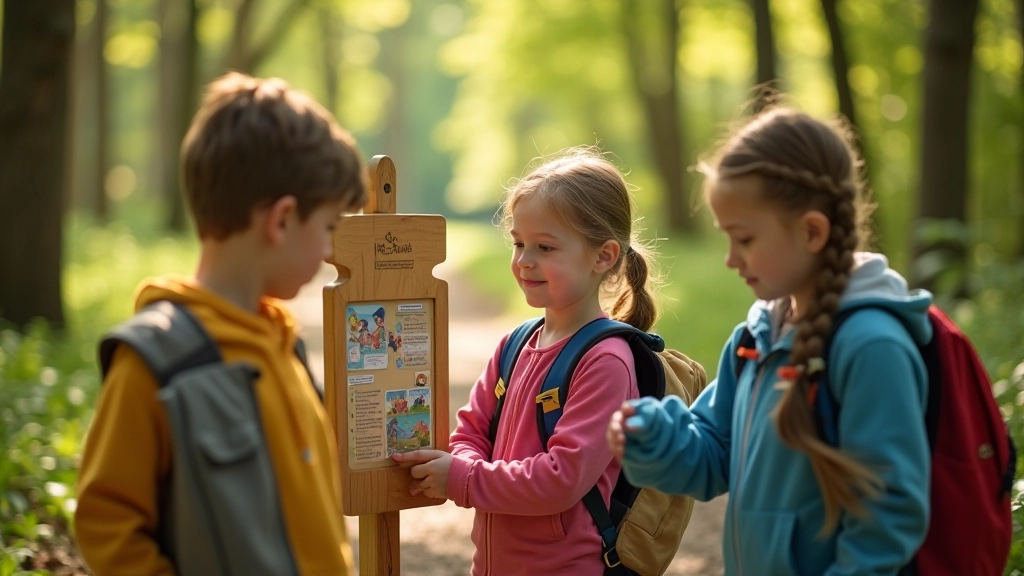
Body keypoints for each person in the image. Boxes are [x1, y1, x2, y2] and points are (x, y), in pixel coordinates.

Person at [608, 107, 932, 575]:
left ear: (812, 231)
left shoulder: (871, 346)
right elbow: (714, 454)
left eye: (744, 239)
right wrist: (654, 438)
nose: (730, 259)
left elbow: (890, 517)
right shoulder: (757, 338)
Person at [74, 72, 367, 575]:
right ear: (281, 220)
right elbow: (107, 523)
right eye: (328, 228)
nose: (329, 250)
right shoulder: (155, 362)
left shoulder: (283, 346)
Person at [393, 148, 659, 574]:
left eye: (545, 247)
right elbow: (471, 431)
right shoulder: (516, 344)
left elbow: (561, 479)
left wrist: (464, 479)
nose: (524, 261)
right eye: (518, 243)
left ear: (603, 256)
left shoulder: (607, 362)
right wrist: (465, 466)